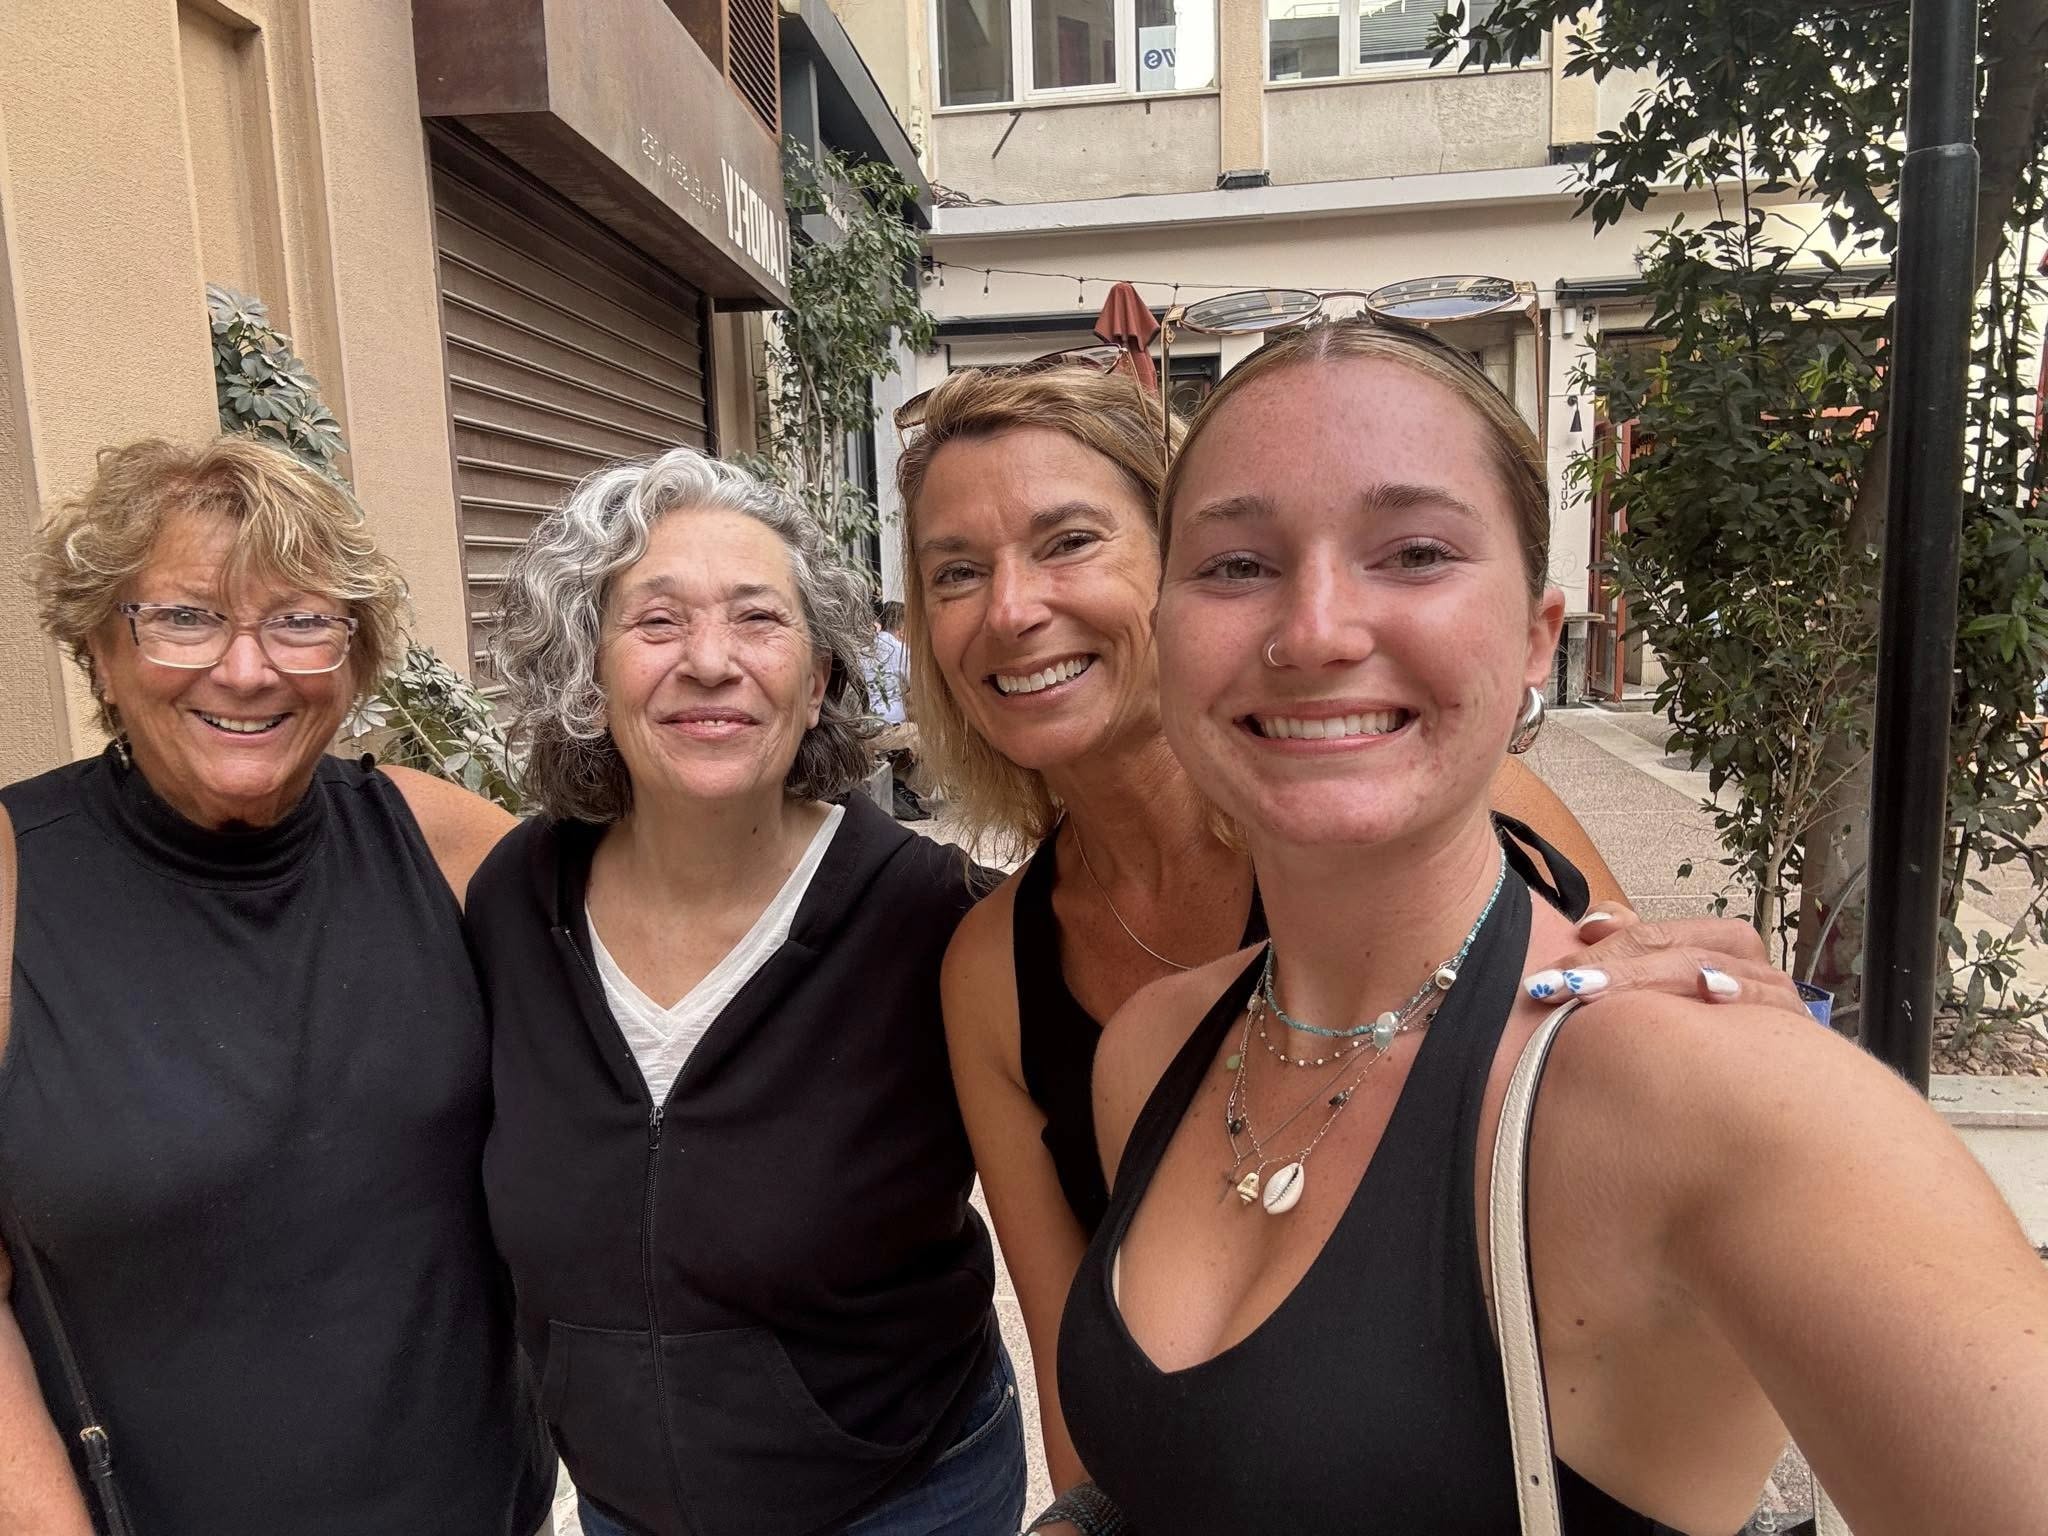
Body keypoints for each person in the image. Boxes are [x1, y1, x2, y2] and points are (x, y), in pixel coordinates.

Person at [1059, 323, 2048, 1533]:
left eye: (1414, 553)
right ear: (1163, 633)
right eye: (1233, 566)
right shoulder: (1153, 1048)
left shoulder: (1705, 1093)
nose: (1313, 630)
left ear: (1535, 635)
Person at [891, 364, 1808, 1494]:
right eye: (955, 571)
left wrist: (1721, 1054)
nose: (1010, 608)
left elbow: (1616, 1033)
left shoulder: (1436, 810)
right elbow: (1085, 1413)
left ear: (1192, 575)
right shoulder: (994, 968)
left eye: (1069, 541)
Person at [467, 447, 1024, 1536]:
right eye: (656, 621)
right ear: (587, 672)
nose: (710, 661)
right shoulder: (517, 900)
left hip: (903, 1498)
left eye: (758, 619)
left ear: (817, 682)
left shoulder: (937, 918)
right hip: (629, 1508)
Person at [0, 437, 553, 1533]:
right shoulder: (13, 884)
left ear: (353, 659)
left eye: (300, 622)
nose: (247, 670)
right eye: (184, 618)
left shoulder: (445, 845)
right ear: (99, 650)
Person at [869, 599, 929, 822]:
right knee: (936, 737)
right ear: (902, 630)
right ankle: (905, 788)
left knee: (912, 730)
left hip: (865, 730)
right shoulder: (900, 650)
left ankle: (897, 784)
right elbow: (921, 689)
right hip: (886, 731)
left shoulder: (864, 648)